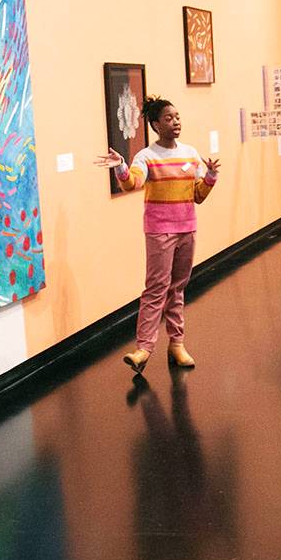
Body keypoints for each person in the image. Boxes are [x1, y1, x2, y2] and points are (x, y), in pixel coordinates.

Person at [95, 96, 219, 375]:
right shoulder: (146, 156)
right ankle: (143, 349)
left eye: (177, 117)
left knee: (177, 288)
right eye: (168, 118)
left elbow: (198, 196)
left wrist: (210, 176)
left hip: (187, 229)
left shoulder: (190, 154)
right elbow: (133, 183)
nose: (175, 122)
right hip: (160, 231)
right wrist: (121, 166)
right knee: (156, 289)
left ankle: (177, 344)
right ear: (155, 125)